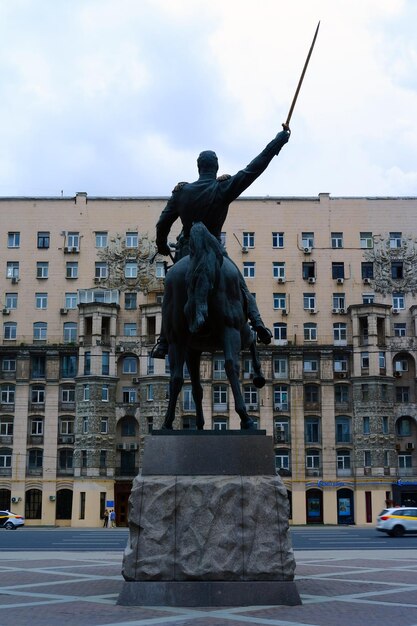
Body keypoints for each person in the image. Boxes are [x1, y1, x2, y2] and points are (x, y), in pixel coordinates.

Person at [153, 128, 291, 359]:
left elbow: (162, 224)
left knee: (170, 290)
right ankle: (257, 324)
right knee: (240, 284)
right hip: (216, 252)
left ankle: (163, 340)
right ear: (215, 167)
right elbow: (254, 168)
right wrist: (279, 142)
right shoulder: (222, 188)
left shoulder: (182, 192)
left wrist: (162, 246)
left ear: (198, 167)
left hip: (188, 251)